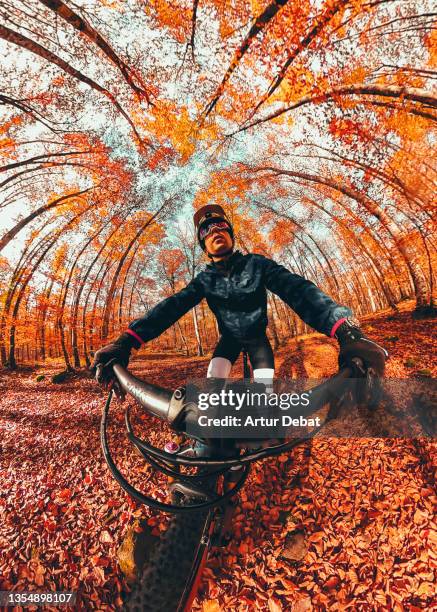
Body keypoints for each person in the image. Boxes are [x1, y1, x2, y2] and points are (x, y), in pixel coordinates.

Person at [92, 204, 388, 386]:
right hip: (229, 341)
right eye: (206, 229)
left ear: (232, 235)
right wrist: (127, 340)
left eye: (221, 225)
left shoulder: (256, 264)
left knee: (263, 393)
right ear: (203, 245)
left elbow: (297, 289)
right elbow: (171, 307)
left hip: (259, 339)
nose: (214, 229)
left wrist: (345, 329)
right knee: (213, 386)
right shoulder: (204, 279)